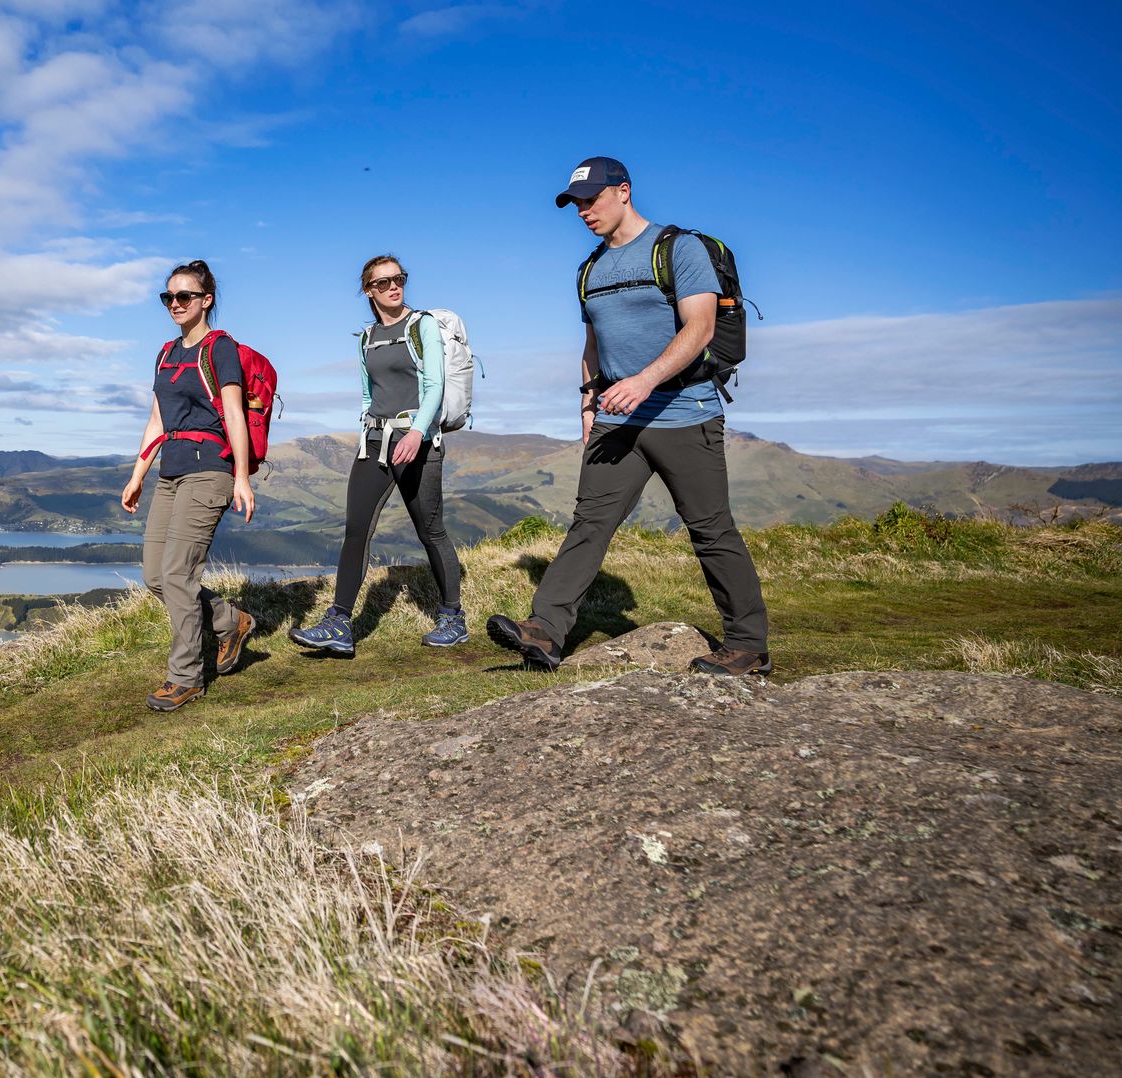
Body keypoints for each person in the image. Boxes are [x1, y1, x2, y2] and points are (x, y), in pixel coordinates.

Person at [486, 157, 772, 676]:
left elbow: (700, 328)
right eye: (575, 204)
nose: (583, 211)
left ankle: (748, 645)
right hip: (617, 421)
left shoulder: (678, 249)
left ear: (624, 191)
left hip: (685, 411)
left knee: (710, 528)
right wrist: (587, 403)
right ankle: (545, 630)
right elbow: (593, 342)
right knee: (589, 523)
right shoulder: (590, 269)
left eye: (591, 199)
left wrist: (643, 381)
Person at [290, 255, 468, 657]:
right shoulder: (366, 337)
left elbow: (435, 384)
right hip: (375, 442)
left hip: (417, 441)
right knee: (356, 531)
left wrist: (418, 432)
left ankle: (453, 617)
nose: (393, 286)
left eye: (399, 278)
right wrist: (365, 434)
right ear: (368, 291)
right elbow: (369, 394)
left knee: (431, 531)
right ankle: (339, 623)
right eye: (383, 282)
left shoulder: (421, 325)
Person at [121, 259, 257, 711]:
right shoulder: (164, 354)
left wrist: (241, 475)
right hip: (171, 472)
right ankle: (230, 621)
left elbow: (234, 413)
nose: (175, 304)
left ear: (206, 300)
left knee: (179, 574)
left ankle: (187, 676)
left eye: (185, 296)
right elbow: (157, 418)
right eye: (169, 297)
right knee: (155, 576)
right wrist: (138, 475)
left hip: (209, 471)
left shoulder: (221, 349)